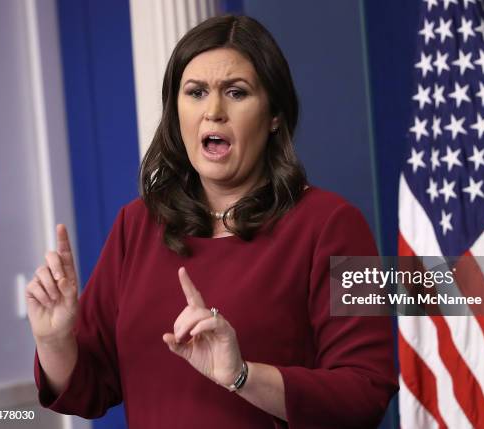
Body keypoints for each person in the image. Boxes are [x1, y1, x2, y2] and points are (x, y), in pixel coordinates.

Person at [27, 14, 397, 429]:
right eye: (196, 92)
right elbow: (88, 388)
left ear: (274, 114)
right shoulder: (136, 225)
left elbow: (366, 392)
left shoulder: (335, 224)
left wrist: (242, 376)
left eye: (236, 93)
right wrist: (54, 340)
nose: (214, 112)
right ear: (176, 111)